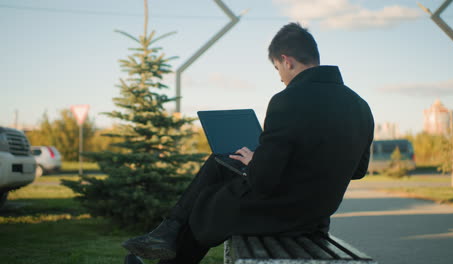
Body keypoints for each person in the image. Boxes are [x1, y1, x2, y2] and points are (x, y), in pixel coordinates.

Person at [122, 22, 374, 264]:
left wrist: (257, 160)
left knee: (208, 202)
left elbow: (263, 181)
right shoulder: (361, 106)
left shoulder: (287, 100)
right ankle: (167, 230)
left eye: (278, 69)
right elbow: (359, 171)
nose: (281, 78)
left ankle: (169, 230)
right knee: (222, 163)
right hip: (315, 217)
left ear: (287, 61)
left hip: (279, 215)